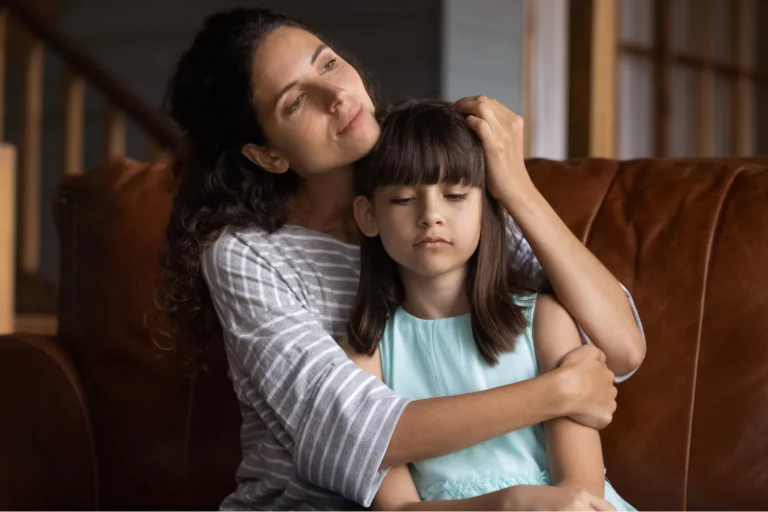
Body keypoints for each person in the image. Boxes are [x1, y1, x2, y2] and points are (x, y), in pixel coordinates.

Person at [156, 7, 646, 510]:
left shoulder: (431, 177)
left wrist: (515, 186)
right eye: (297, 101)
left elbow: (621, 348)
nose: (338, 95)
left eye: (327, 64)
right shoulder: (246, 255)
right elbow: (351, 436)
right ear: (267, 155)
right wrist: (557, 393)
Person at [343, 99, 634, 511]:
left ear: (486, 209)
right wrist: (508, 504)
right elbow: (399, 509)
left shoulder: (543, 320)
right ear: (367, 215)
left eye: (456, 195)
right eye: (405, 199)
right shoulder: (368, 350)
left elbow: (581, 489)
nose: (432, 216)